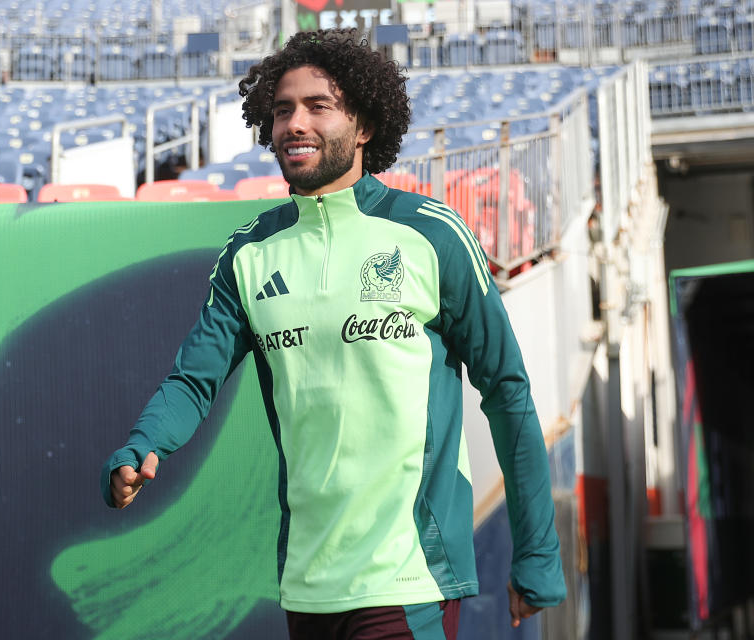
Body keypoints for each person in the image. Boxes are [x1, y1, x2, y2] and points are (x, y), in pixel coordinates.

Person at [101, 28, 566, 640]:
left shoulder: (432, 234)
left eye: (319, 106)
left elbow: (507, 391)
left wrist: (536, 550)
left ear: (365, 126)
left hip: (409, 578)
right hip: (308, 583)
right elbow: (193, 379)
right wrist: (140, 446)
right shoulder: (249, 252)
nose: (295, 123)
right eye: (283, 109)